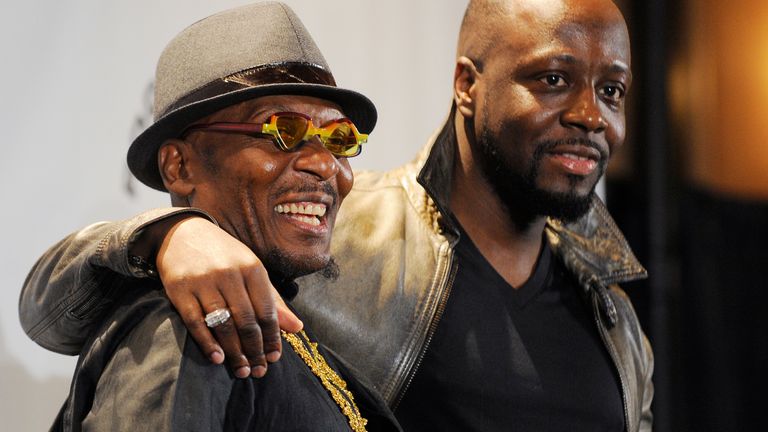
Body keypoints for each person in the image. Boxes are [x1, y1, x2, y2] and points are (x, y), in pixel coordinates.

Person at [21, 0, 653, 430]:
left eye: (613, 91)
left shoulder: (615, 314)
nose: (590, 115)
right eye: (550, 79)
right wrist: (171, 234)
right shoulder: (237, 291)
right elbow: (52, 304)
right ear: (467, 84)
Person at [23, 2, 402, 431]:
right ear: (179, 167)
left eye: (339, 139)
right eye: (284, 131)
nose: (326, 164)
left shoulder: (271, 319)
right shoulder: (191, 321)